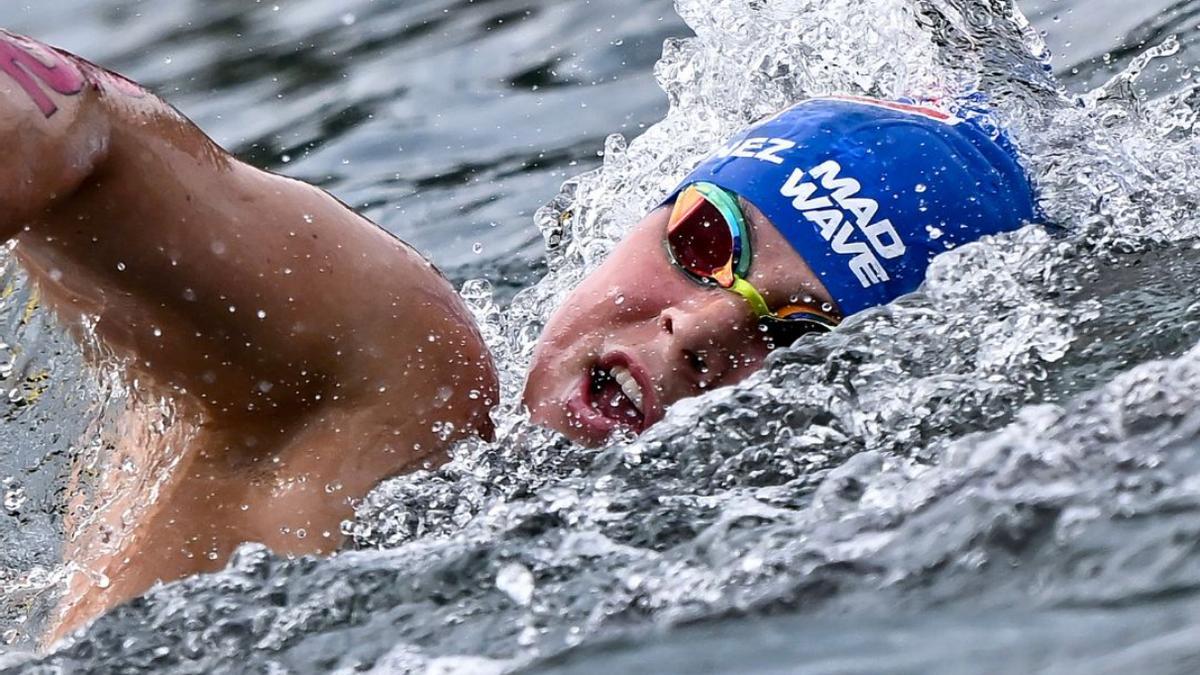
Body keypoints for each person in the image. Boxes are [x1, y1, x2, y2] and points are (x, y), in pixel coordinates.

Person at [0, 30, 1038, 641]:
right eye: (708, 240)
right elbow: (76, 120)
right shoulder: (402, 373)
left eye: (800, 334)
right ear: (648, 206)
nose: (696, 329)